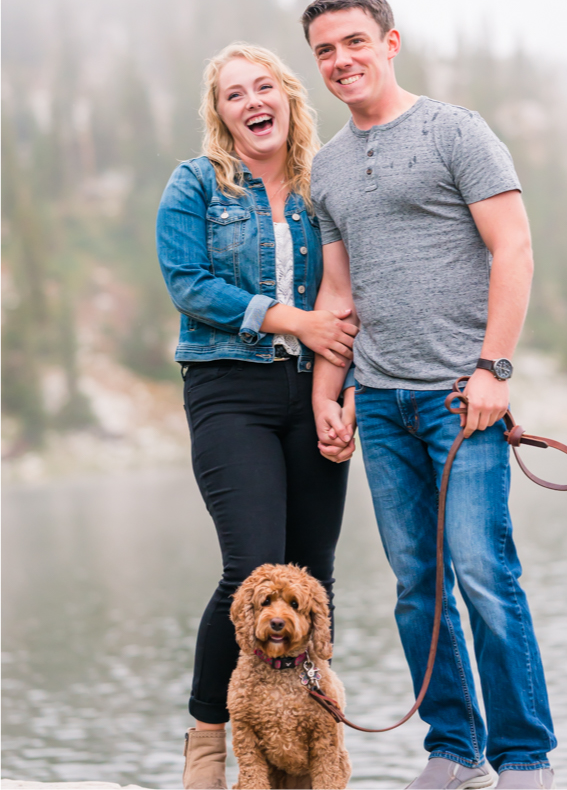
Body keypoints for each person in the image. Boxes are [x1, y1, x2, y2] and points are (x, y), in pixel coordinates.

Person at [303, 0, 555, 790]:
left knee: (484, 575)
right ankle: (454, 750)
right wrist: (326, 397)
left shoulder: (457, 132)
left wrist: (494, 371)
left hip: (462, 399)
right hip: (378, 404)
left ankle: (524, 758)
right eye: (325, 52)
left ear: (390, 42)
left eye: (353, 43)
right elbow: (338, 299)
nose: (341, 61)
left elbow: (513, 251)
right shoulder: (330, 168)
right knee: (418, 585)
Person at [157, 43, 359, 790]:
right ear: (221, 115)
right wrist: (289, 321)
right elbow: (188, 283)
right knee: (250, 569)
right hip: (228, 390)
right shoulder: (196, 185)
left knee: (313, 576)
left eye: (263, 86)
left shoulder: (324, 183)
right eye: (234, 94)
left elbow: (347, 297)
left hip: (317, 392)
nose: (251, 102)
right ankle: (211, 737)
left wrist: (343, 398)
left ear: (287, 98)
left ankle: (315, 738)